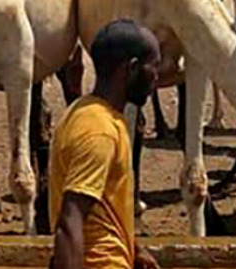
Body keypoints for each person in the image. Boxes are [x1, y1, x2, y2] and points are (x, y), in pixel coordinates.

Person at [51, 19, 161, 269]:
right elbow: (71, 219)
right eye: (153, 66)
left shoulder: (83, 111)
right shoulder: (99, 132)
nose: (157, 77)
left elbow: (103, 206)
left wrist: (134, 249)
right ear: (132, 68)